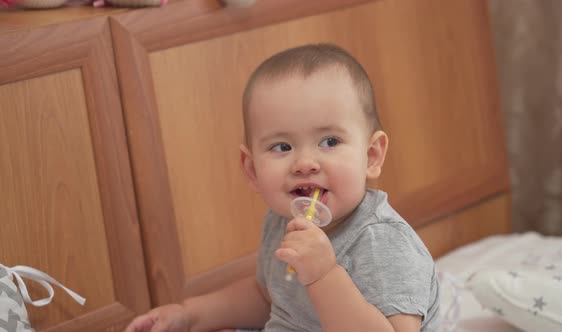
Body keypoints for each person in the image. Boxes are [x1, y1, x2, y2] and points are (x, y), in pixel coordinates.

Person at [124, 43, 439, 332]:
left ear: (371, 156)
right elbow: (267, 298)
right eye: (282, 146)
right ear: (252, 169)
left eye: (329, 141)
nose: (304, 163)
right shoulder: (280, 223)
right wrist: (190, 315)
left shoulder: (382, 242)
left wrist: (324, 277)